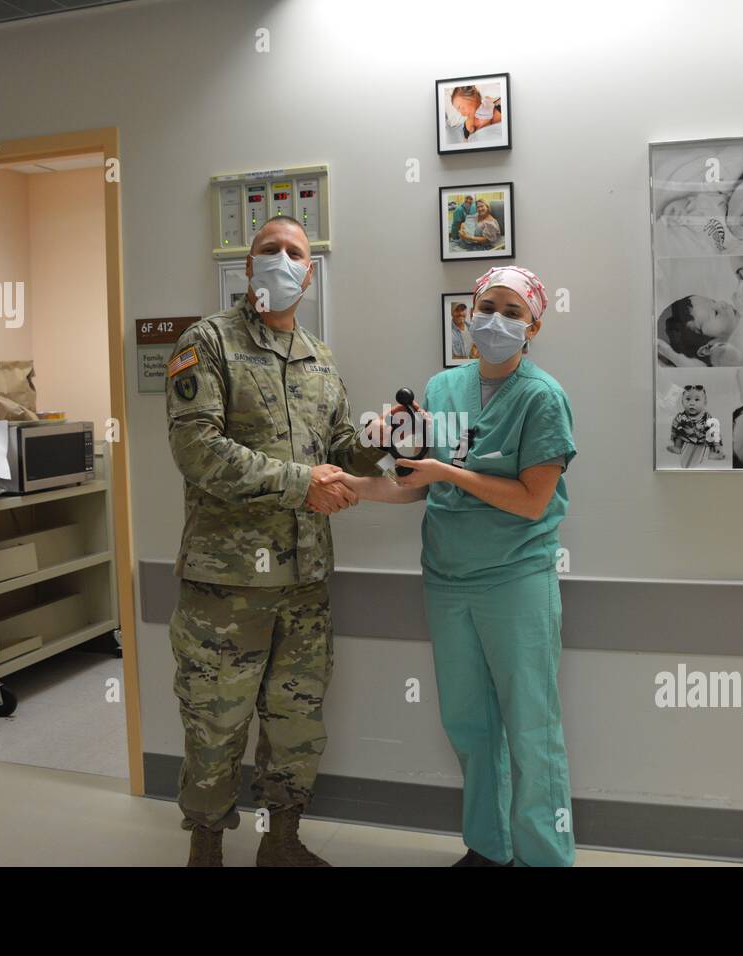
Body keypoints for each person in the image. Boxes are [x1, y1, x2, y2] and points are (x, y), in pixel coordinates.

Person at [164, 214, 387, 867]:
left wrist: (391, 442)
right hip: (226, 588)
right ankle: (206, 849)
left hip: (305, 585)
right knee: (215, 726)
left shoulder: (321, 359)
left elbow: (343, 450)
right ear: (248, 264)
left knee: (297, 725)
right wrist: (300, 485)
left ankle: (281, 841)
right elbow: (197, 450)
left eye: (295, 252)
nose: (283, 260)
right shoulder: (206, 344)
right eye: (271, 250)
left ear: (309, 273)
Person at [341, 265, 578, 867]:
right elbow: (419, 486)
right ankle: (489, 848)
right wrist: (359, 483)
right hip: (447, 579)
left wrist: (445, 470)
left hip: (516, 579)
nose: (496, 320)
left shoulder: (543, 398)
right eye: (487, 307)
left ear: (534, 326)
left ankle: (544, 858)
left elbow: (531, 502)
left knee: (531, 729)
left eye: (512, 311)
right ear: (466, 316)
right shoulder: (442, 389)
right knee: (468, 724)